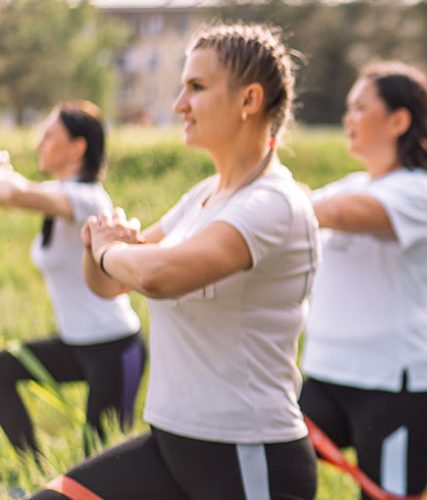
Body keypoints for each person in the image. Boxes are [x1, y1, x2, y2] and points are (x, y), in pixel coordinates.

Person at [31, 24, 319, 499]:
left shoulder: (273, 203)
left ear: (249, 100)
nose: (178, 104)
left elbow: (158, 275)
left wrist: (109, 251)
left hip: (246, 455)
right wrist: (97, 247)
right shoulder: (202, 197)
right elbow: (109, 286)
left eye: (196, 87)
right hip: (172, 444)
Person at [298, 61, 427, 498]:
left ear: (399, 121)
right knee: (265, 464)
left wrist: (276, 200)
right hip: (326, 376)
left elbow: (341, 214)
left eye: (360, 107)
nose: (348, 118)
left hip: (397, 388)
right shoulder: (352, 183)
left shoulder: (419, 192)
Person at [0, 102, 143, 456]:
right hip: (75, 343)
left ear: (77, 148)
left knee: (98, 458)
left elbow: (13, 192)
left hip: (113, 346)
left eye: (49, 136)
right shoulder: (58, 193)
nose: (39, 144)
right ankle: (35, 471)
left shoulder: (88, 200)